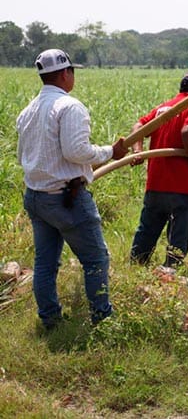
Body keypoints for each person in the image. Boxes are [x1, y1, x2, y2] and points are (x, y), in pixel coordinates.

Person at [16, 48, 127, 329]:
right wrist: (110, 151)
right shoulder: (70, 107)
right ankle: (103, 320)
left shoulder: (28, 110)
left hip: (36, 197)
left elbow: (21, 157)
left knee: (45, 263)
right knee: (95, 259)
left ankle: (50, 319)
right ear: (66, 74)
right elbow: (76, 151)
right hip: (66, 200)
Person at [129, 71, 188, 268]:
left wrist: (138, 151)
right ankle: (169, 274)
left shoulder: (165, 107)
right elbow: (187, 131)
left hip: (156, 183)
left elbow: (139, 125)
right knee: (180, 237)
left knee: (147, 231)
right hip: (181, 186)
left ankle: (135, 269)